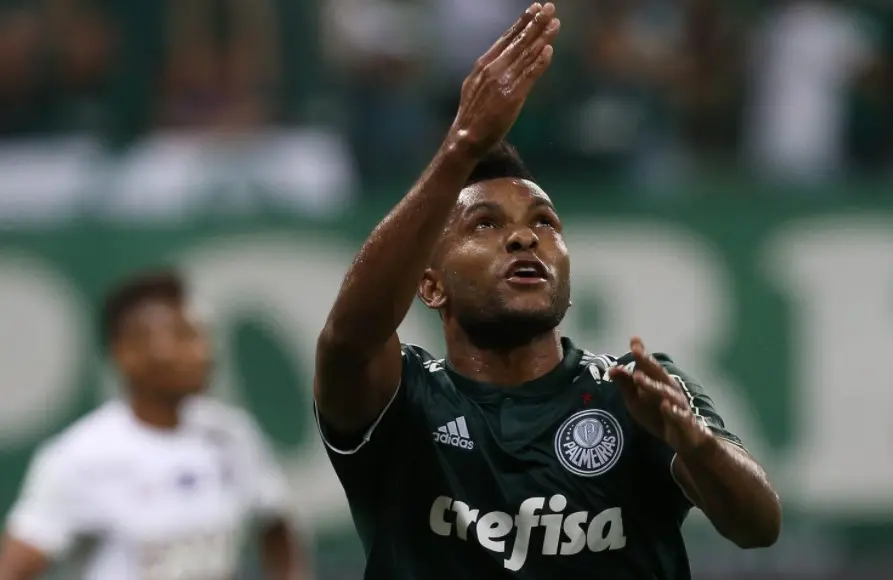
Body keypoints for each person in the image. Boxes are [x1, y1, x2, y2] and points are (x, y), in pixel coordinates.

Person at [313, 3, 781, 579]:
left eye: (544, 222)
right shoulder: (402, 401)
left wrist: (696, 443)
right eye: (485, 224)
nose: (523, 238)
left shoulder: (636, 393)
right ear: (429, 286)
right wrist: (461, 146)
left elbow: (759, 527)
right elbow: (348, 340)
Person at [0, 270, 312, 580]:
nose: (203, 352)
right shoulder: (79, 457)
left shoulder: (232, 434)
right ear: (127, 354)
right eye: (182, 336)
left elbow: (276, 524)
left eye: (201, 335)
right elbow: (13, 568)